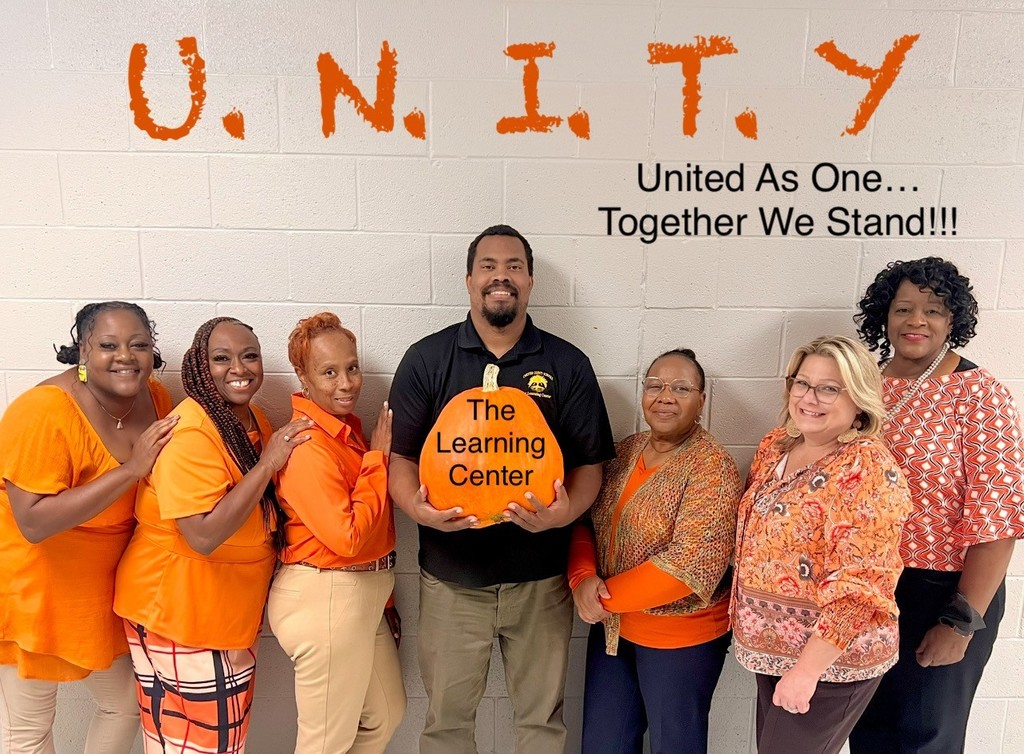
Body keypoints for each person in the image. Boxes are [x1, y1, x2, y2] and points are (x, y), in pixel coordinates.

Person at [387, 224, 616, 754]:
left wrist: (563, 516)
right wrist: (415, 509)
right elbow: (399, 457)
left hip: (541, 583)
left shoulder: (567, 364)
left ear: (530, 281)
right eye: (489, 266)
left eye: (513, 266)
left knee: (541, 724)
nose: (501, 277)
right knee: (446, 723)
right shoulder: (427, 359)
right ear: (469, 280)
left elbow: (589, 467)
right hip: (451, 581)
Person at [114, 317, 312, 754]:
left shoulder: (247, 417)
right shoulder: (192, 432)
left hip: (215, 613)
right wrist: (268, 464)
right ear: (199, 367)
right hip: (181, 612)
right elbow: (201, 535)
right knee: (206, 747)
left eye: (249, 356)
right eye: (221, 358)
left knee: (185, 743)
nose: (239, 368)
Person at [849, 258, 1024, 754]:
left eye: (934, 309)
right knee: (867, 732)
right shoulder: (863, 388)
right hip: (866, 589)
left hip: (943, 592)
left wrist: (960, 621)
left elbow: (998, 520)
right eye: (903, 307)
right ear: (884, 315)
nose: (916, 320)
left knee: (924, 740)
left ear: (954, 321)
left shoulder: (978, 395)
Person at [0, 302, 176, 754]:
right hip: (35, 585)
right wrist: (130, 470)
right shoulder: (42, 410)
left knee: (126, 706)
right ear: (82, 352)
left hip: (103, 589)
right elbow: (34, 522)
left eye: (139, 344)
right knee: (29, 728)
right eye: (108, 345)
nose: (126, 356)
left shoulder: (154, 398)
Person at [732, 336, 911, 754]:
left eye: (829, 388)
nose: (810, 398)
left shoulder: (866, 466)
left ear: (860, 400)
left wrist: (807, 671)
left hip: (830, 662)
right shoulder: (777, 445)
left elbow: (862, 584)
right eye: (802, 383)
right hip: (775, 650)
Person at [568, 348, 741, 754]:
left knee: (674, 746)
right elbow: (583, 520)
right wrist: (580, 578)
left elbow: (689, 564)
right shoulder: (625, 450)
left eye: (681, 388)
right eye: (655, 385)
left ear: (702, 400)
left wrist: (602, 600)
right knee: (603, 745)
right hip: (613, 633)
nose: (666, 396)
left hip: (679, 641)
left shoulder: (712, 467)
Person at [268, 312, 406, 754]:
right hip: (324, 597)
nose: (346, 383)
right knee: (325, 744)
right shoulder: (309, 447)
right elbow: (347, 537)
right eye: (328, 372)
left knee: (386, 716)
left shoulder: (344, 433)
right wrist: (378, 461)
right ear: (303, 378)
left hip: (359, 595)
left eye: (351, 367)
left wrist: (385, 596)